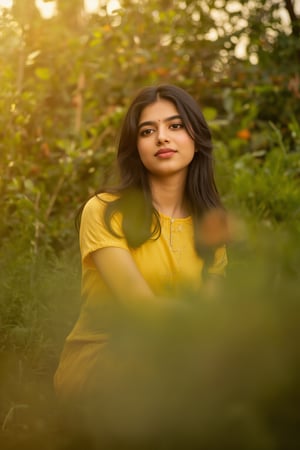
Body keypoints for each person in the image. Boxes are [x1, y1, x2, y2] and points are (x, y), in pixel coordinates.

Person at [54, 84, 227, 400]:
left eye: (175, 126)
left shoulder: (211, 228)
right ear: (136, 147)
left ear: (196, 140)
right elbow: (141, 309)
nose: (162, 137)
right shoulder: (105, 211)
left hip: (181, 367)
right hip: (105, 369)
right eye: (148, 131)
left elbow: (211, 318)